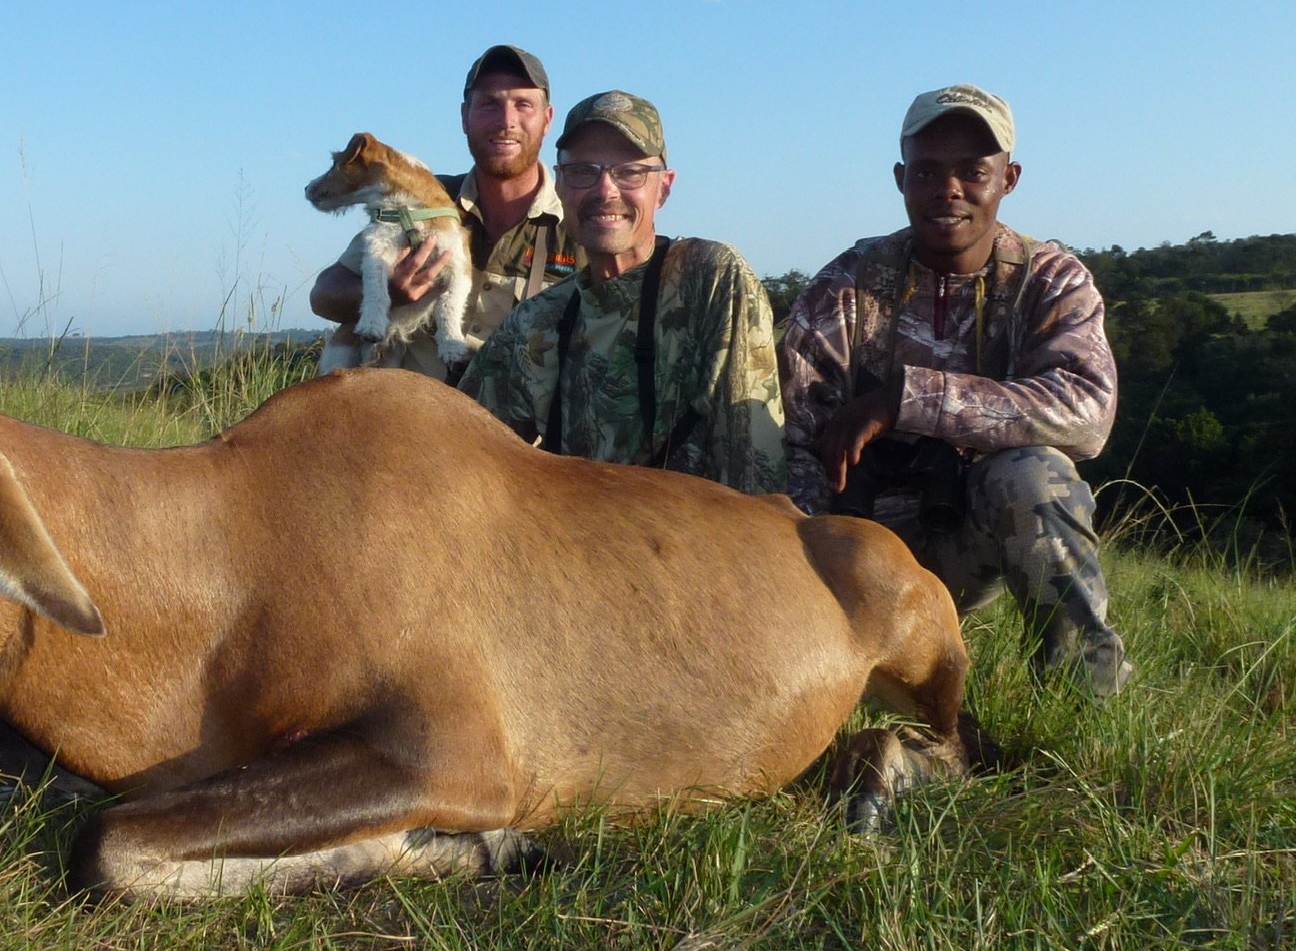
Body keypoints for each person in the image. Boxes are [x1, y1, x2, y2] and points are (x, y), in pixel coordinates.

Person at [778, 83, 1132, 694]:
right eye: (928, 172)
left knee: (1035, 473)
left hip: (972, 537)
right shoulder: (848, 283)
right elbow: (795, 438)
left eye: (973, 171)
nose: (949, 190)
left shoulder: (1050, 280)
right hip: (857, 551)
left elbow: (1088, 415)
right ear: (900, 178)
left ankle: (1085, 697)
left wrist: (904, 400)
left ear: (1009, 177)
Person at [458, 91, 786, 493]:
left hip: (701, 544)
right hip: (580, 544)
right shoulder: (535, 323)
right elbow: (457, 447)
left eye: (630, 171)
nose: (605, 191)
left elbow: (753, 466)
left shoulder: (711, 279)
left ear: (663, 188)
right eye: (582, 171)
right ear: (559, 185)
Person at [310, 45, 578, 379]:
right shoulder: (418, 201)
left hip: (512, 427)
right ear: (465, 116)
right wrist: (390, 292)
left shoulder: (577, 225)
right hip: (410, 414)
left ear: (547, 119)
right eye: (489, 104)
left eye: (523, 105)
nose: (506, 121)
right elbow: (323, 295)